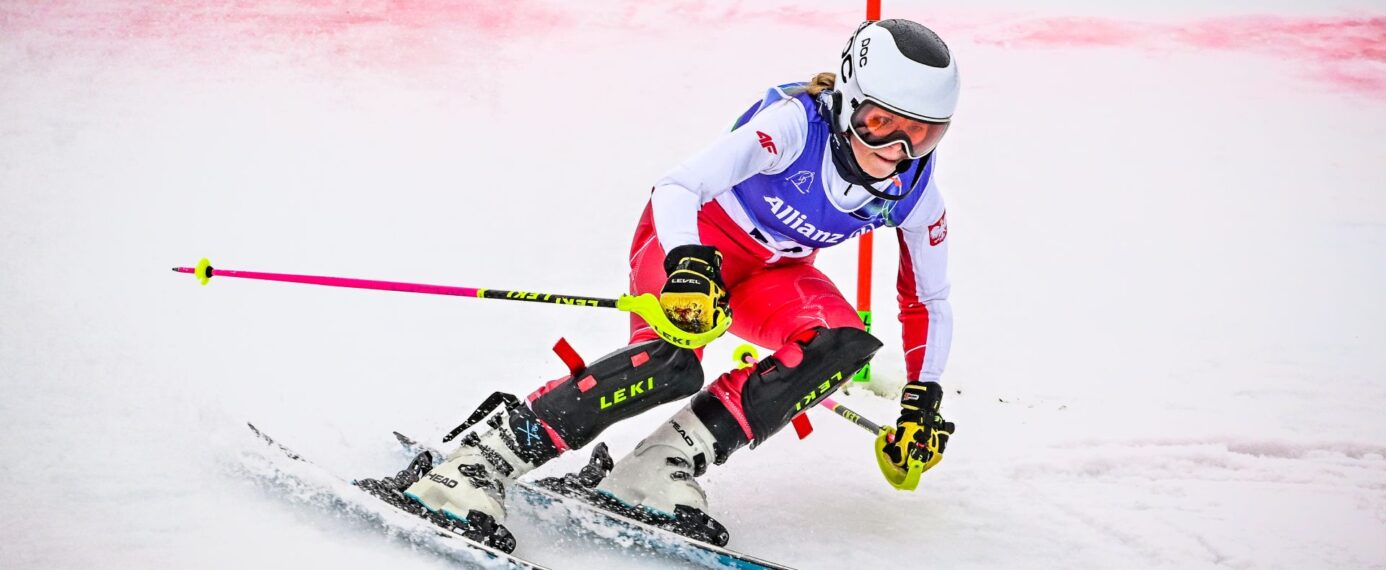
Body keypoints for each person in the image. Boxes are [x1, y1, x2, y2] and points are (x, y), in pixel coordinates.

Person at [359, 18, 960, 551]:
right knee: (669, 364)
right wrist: (688, 266)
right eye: (880, 124)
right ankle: (478, 463)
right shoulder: (793, 127)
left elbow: (927, 298)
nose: (897, 151)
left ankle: (658, 467)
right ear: (848, 101)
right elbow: (678, 188)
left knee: (840, 347)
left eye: (922, 134)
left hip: (775, 273)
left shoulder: (915, 191)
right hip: (693, 243)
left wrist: (923, 399)